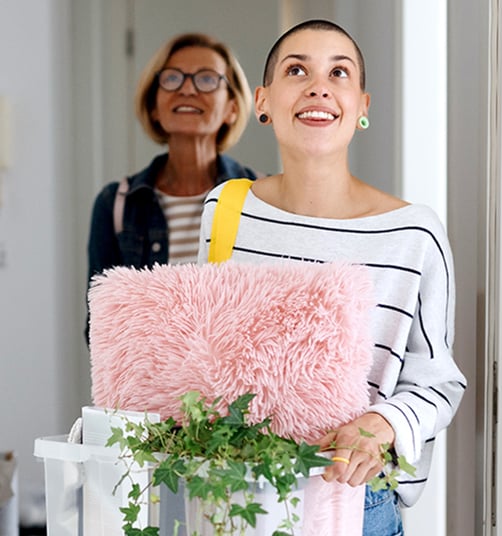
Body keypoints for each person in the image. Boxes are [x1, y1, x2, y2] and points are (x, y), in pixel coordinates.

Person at [197, 19, 466, 535]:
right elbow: (204, 352)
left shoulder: (413, 234)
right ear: (263, 102)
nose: (318, 86)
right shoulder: (226, 209)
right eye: (297, 70)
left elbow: (438, 380)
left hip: (353, 504)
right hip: (235, 496)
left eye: (338, 72)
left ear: (362, 106)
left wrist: (383, 423)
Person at [86, 33, 261, 342]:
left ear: (232, 107)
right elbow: (99, 330)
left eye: (207, 79)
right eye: (171, 78)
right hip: (147, 375)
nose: (187, 89)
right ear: (154, 105)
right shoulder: (115, 204)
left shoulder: (263, 197)